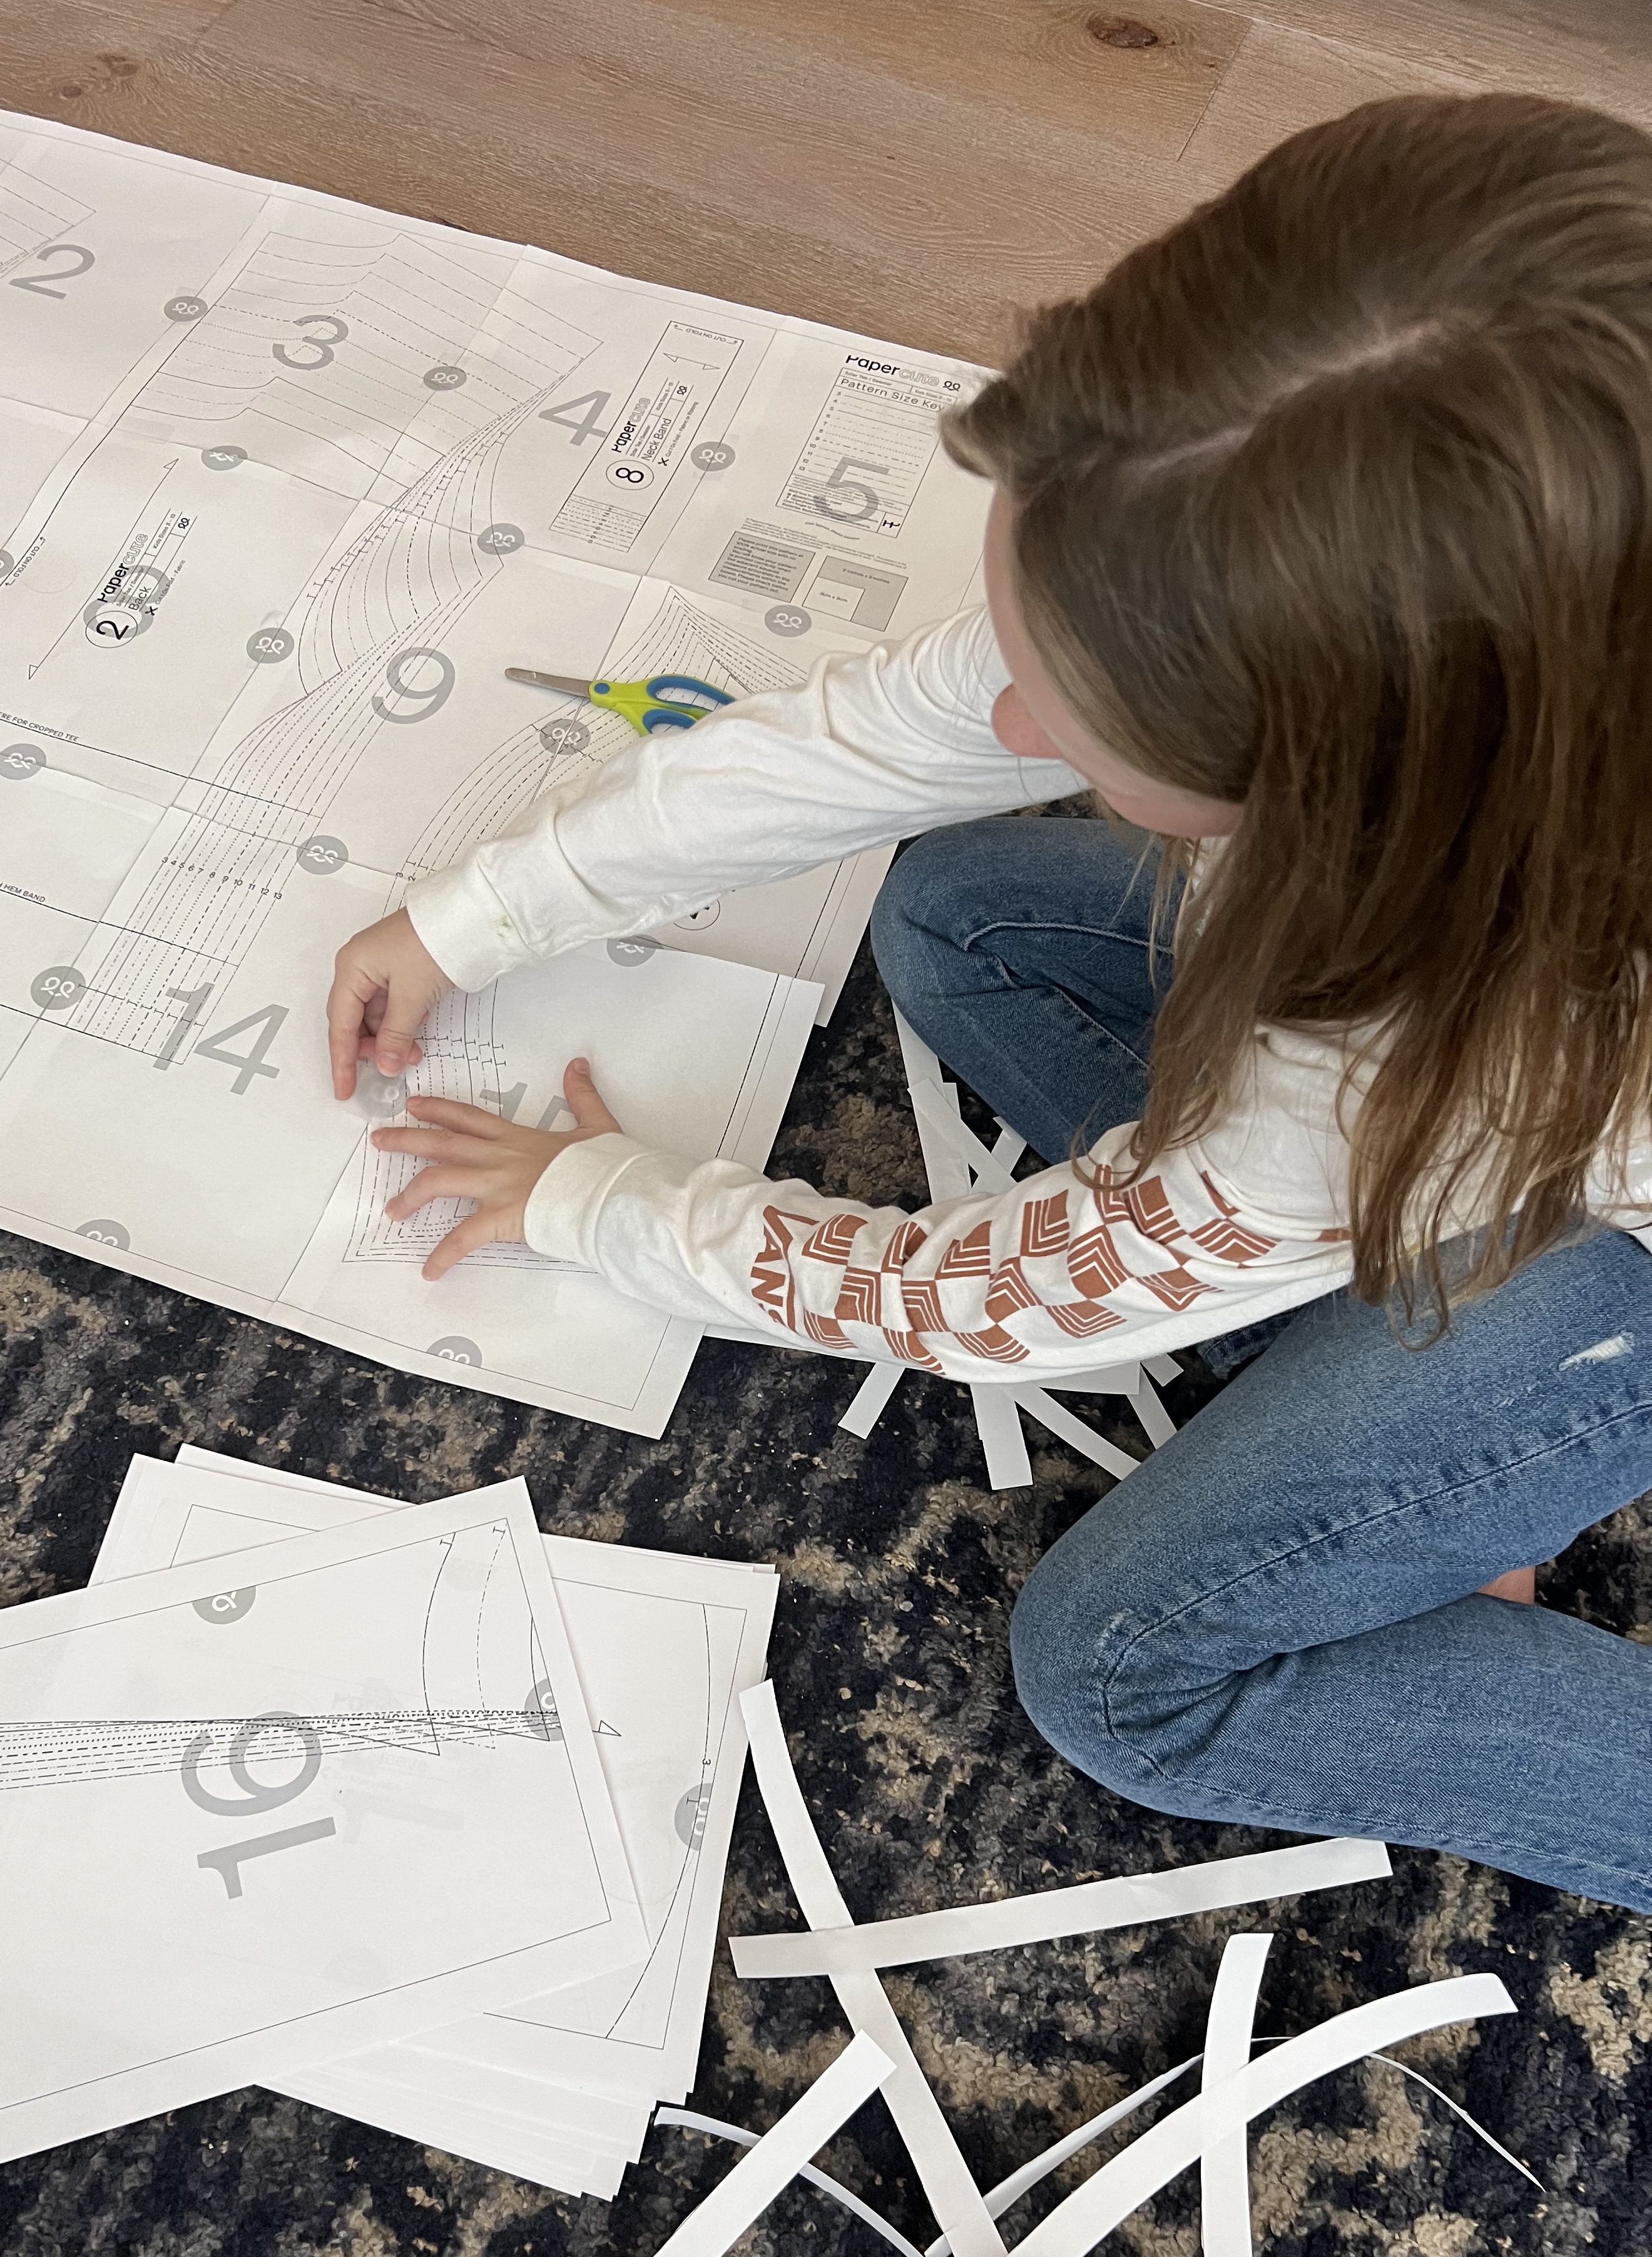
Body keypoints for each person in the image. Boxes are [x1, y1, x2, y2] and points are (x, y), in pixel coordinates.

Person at [325, 94, 1652, 1913]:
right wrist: (479, 913)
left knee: (1115, 1671)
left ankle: (1453, 1483)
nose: (1008, 724)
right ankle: (1388, 1422)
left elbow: (981, 1302)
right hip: (1483, 1083)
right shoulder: (1530, 652)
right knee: (958, 910)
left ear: (1354, 804)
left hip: (1603, 1252)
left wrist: (603, 1205)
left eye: (1074, 718)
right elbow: (892, 735)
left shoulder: (1395, 1048)